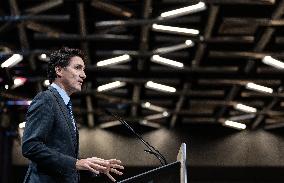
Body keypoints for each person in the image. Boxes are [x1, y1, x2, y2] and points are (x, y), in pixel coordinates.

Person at [22, 47, 124, 183]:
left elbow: (62, 152)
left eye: (83, 69)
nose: (83, 75)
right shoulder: (46, 99)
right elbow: (30, 146)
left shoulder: (64, 105)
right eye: (77, 68)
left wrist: (90, 164)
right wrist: (75, 163)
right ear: (59, 70)